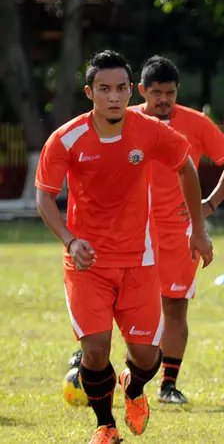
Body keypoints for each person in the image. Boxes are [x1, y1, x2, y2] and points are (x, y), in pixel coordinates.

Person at [36, 50, 213, 444]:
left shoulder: (149, 131)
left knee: (148, 358)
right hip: (88, 263)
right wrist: (70, 239)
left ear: (131, 91)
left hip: (140, 261)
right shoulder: (66, 139)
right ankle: (106, 426)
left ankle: (133, 388)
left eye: (120, 88)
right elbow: (45, 198)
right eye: (104, 89)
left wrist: (198, 231)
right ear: (90, 92)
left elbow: (186, 166)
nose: (114, 97)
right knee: (96, 352)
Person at [134, 55, 224, 403]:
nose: (164, 100)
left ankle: (168, 385)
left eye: (170, 92)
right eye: (156, 93)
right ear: (142, 91)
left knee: (174, 307)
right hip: (131, 230)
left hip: (178, 232)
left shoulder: (195, 123)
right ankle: (102, 366)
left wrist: (208, 205)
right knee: (123, 302)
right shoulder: (125, 120)